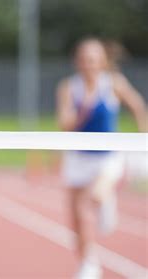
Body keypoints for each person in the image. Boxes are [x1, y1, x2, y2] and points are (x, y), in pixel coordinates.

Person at [56, 38, 146, 279]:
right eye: (84, 59)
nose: (88, 64)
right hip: (77, 159)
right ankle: (87, 260)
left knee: (88, 202)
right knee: (76, 220)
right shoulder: (69, 87)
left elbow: (138, 107)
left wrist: (143, 143)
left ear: (103, 62)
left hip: (107, 159)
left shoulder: (113, 84)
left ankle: (90, 267)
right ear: (77, 62)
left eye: (93, 60)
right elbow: (63, 126)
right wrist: (83, 111)